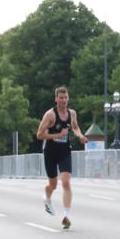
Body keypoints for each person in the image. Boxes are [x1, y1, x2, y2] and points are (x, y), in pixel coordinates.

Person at [36, 86, 88, 229]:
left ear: (68, 98)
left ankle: (66, 215)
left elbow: (75, 127)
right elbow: (39, 134)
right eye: (61, 98)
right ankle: (47, 199)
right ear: (56, 99)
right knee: (53, 184)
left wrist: (80, 136)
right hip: (50, 152)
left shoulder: (72, 113)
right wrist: (57, 135)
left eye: (66, 97)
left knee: (66, 181)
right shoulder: (50, 115)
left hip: (65, 151)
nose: (64, 100)